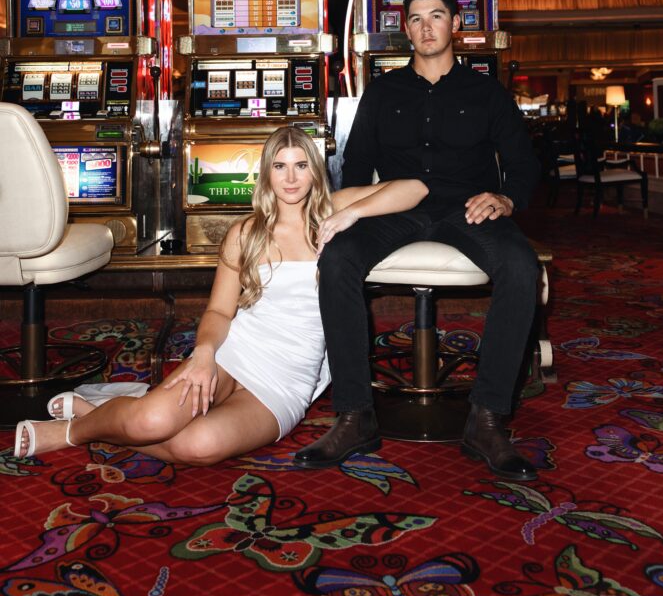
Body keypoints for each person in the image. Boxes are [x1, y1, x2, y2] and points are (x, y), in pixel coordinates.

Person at [14, 127, 427, 464]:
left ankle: (99, 416)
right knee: (154, 419)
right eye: (280, 167)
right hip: (234, 354)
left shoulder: (333, 213)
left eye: (301, 166)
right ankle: (73, 432)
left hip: (286, 382)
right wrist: (205, 354)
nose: (290, 178)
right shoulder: (244, 233)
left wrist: (352, 212)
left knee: (196, 446)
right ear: (266, 174)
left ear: (315, 172)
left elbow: (415, 189)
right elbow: (218, 311)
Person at [294, 0, 541, 481]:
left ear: (457, 25)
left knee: (520, 266)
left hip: (467, 208)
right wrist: (352, 211)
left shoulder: (487, 92)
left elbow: (525, 165)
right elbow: (358, 170)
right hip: (396, 208)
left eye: (436, 16)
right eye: (415, 18)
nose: (426, 26)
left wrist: (506, 198)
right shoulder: (383, 92)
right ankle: (353, 415)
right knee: (338, 259)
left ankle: (487, 418)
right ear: (405, 29)